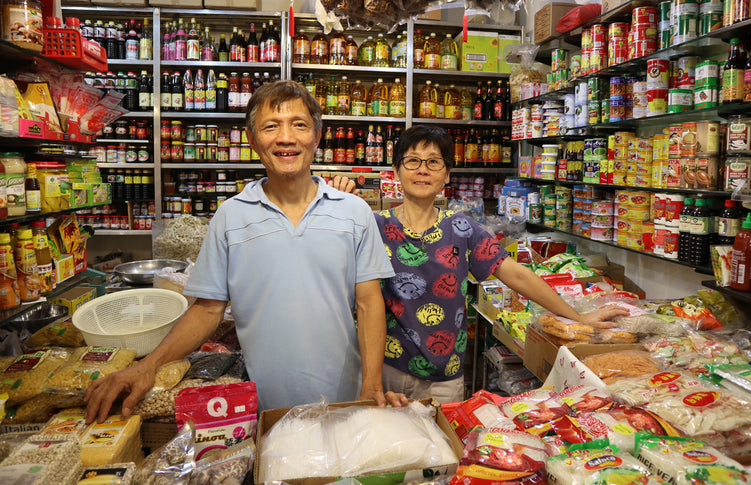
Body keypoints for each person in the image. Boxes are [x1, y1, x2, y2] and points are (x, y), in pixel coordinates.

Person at [85, 81, 405, 423]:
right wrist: (147, 366)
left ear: (316, 136)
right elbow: (208, 310)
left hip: (347, 400)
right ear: (252, 141)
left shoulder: (353, 212)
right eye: (271, 127)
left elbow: (369, 303)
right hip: (265, 406)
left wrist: (371, 384)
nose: (286, 138)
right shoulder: (231, 216)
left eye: (299, 125)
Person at [334, 125, 628, 403]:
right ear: (397, 170)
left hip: (444, 378)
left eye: (434, 162)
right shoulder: (374, 226)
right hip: (387, 370)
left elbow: (518, 275)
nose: (423, 169)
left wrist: (578, 316)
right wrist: (338, 198)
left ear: (447, 174)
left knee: (442, 452)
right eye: (412, 161)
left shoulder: (462, 229)